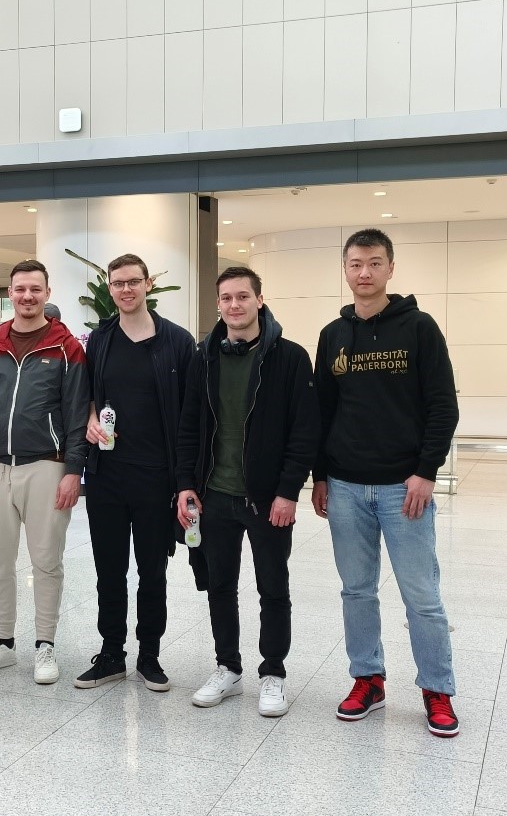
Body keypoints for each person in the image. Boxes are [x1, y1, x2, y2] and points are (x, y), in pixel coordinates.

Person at [312, 228, 461, 738]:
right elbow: (322, 410)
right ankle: (367, 679)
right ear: (345, 270)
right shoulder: (333, 334)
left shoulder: (420, 328)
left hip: (404, 488)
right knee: (356, 590)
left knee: (422, 595)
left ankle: (437, 688)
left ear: (390, 269)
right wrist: (320, 476)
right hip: (346, 486)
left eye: (375, 263)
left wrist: (426, 471)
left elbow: (443, 405)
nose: (365, 272)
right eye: (356, 264)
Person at [176, 267, 319, 713]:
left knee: (273, 587)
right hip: (214, 495)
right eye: (226, 298)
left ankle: (273, 672)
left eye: (242, 296)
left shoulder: (290, 358)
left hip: (267, 499)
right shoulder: (204, 358)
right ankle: (228, 668)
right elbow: (188, 426)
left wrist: (288, 491)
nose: (234, 305)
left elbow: (304, 431)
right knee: (220, 586)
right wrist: (185, 485)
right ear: (218, 304)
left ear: (260, 300)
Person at [0, 259, 90, 685]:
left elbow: (76, 415)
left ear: (47, 293)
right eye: (20, 289)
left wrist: (73, 470)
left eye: (35, 289)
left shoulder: (66, 348)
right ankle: (2, 641)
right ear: (9, 293)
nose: (27, 296)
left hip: (46, 466)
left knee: (46, 561)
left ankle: (45, 644)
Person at [75, 254, 194, 693]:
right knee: (109, 569)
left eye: (133, 282)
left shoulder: (176, 341)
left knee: (152, 572)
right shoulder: (100, 339)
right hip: (106, 474)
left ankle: (149, 655)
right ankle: (111, 653)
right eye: (118, 283)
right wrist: (91, 417)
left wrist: (185, 481)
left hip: (156, 477)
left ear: (148, 285)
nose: (126, 290)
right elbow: (88, 393)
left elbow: (190, 414)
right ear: (110, 288)